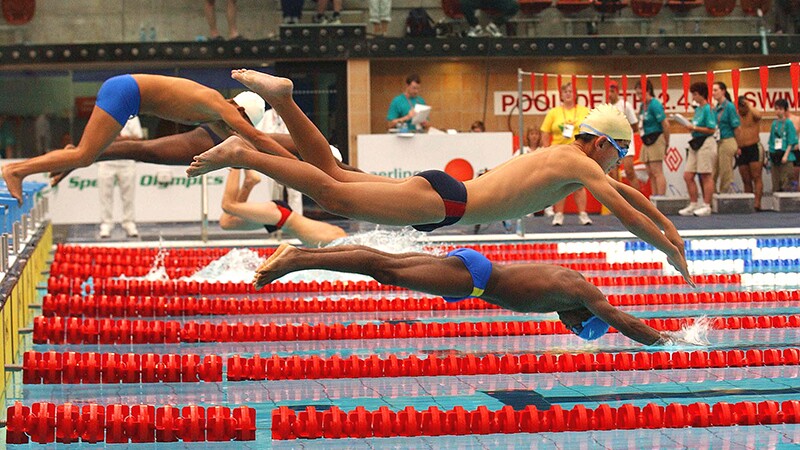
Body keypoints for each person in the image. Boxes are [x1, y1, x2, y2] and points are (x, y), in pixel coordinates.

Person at [187, 70, 692, 284]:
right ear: (600, 142)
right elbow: (625, 211)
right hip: (448, 205)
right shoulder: (580, 164)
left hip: (446, 194)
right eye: (618, 153)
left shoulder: (566, 157)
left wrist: (674, 233)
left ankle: (282, 100)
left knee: (333, 172)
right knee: (331, 191)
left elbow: (631, 197)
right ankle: (244, 152)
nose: (616, 164)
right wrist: (669, 253)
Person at [253, 243, 686, 346]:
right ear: (583, 318)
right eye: (578, 329)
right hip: (474, 277)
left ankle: (300, 258)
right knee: (384, 269)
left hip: (474, 275)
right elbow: (626, 323)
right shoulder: (583, 293)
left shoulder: (571, 290)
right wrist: (670, 342)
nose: (568, 329)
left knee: (387, 266)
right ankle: (298, 258)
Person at [1, 76, 297, 204]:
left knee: (82, 155)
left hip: (127, 94)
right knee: (84, 156)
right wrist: (296, 164)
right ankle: (16, 170)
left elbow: (245, 146)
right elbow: (256, 138)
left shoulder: (215, 115)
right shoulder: (220, 105)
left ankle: (63, 158)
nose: (240, 127)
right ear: (241, 111)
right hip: (127, 93)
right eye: (243, 122)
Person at [220, 169, 346, 246]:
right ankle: (235, 165)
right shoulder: (338, 239)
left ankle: (250, 181)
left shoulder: (337, 237)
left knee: (226, 222)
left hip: (281, 221)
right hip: (281, 216)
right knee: (229, 205)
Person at [540, 82, 591, 226]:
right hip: (558, 152)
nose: (568, 94)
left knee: (580, 183)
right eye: (565, 92)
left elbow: (592, 130)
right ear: (561, 95)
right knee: (559, 184)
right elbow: (545, 132)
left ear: (576, 95)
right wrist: (546, 149)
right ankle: (559, 215)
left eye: (571, 91)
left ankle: (583, 214)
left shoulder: (584, 111)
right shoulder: (553, 112)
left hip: (578, 150)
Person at [677, 82, 718, 217]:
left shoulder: (708, 108)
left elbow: (711, 129)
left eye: (695, 94)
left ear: (702, 94)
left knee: (706, 174)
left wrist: (694, 128)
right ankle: (693, 203)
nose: (693, 97)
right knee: (688, 175)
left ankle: (707, 205)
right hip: (696, 143)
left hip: (706, 142)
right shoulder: (698, 109)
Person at [98, 117, 143, 239]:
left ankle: (129, 222)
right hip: (106, 161)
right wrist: (124, 140)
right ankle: (106, 224)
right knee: (105, 195)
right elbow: (98, 138)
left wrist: (117, 139)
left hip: (127, 161)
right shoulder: (104, 115)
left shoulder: (132, 118)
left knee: (128, 195)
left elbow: (138, 138)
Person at [635, 79, 669, 197]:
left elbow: (665, 124)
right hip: (646, 140)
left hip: (657, 138)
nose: (639, 96)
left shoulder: (655, 104)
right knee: (649, 171)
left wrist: (666, 143)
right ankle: (655, 197)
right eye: (637, 94)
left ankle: (661, 199)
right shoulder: (642, 106)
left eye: (640, 93)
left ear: (648, 91)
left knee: (657, 171)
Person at [608, 80, 640, 191]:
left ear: (617, 92)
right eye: (608, 92)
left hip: (626, 142)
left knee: (629, 171)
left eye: (612, 91)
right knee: (613, 173)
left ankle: (638, 203)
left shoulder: (626, 105)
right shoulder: (607, 108)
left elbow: (635, 125)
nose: (610, 94)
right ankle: (617, 203)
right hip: (612, 142)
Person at [734, 96, 765, 210]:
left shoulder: (753, 113)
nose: (742, 109)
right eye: (740, 107)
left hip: (754, 147)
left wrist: (748, 104)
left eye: (743, 106)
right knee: (746, 179)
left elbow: (759, 116)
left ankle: (757, 203)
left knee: (756, 176)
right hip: (741, 149)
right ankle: (749, 203)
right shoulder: (736, 116)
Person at [712, 82, 741, 194]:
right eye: (712, 91)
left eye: (716, 90)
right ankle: (712, 198)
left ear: (723, 91)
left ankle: (725, 196)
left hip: (728, 140)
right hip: (717, 141)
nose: (713, 93)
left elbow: (737, 128)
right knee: (713, 171)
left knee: (726, 172)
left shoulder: (729, 107)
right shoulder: (715, 108)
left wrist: (738, 145)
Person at [767, 98, 798, 193]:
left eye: (780, 109)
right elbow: (772, 140)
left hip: (786, 156)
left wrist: (786, 155)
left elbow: (791, 141)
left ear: (785, 110)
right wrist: (769, 156)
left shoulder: (788, 123)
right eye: (776, 109)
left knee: (786, 182)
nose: (778, 111)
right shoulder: (774, 123)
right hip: (775, 155)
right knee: (776, 183)